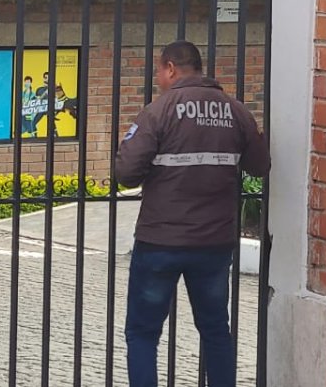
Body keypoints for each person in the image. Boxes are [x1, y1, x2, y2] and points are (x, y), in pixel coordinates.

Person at [115, 40, 270, 387]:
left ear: (170, 68)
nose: (159, 79)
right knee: (216, 329)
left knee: (142, 332)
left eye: (159, 71)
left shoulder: (159, 111)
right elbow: (260, 166)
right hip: (213, 243)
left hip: (160, 240)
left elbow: (125, 172)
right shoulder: (236, 111)